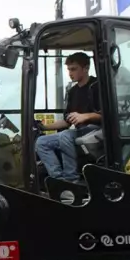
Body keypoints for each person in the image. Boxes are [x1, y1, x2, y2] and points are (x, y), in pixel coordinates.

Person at [35, 52, 101, 183]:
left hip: (96, 128)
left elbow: (108, 114)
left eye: (74, 69)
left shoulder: (97, 86)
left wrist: (85, 116)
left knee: (65, 136)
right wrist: (44, 126)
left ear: (86, 68)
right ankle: (59, 180)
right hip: (79, 132)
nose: (70, 73)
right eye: (68, 69)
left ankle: (71, 180)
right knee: (41, 142)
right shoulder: (72, 91)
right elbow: (67, 122)